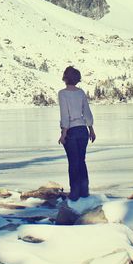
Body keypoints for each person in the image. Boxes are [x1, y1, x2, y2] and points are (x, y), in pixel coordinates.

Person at [57, 65, 95, 200]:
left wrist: (63, 134)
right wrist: (91, 130)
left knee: (73, 163)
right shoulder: (81, 93)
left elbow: (65, 115)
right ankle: (84, 191)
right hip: (83, 131)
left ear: (65, 78)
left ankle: (74, 193)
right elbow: (87, 112)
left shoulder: (63, 94)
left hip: (71, 131)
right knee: (81, 161)